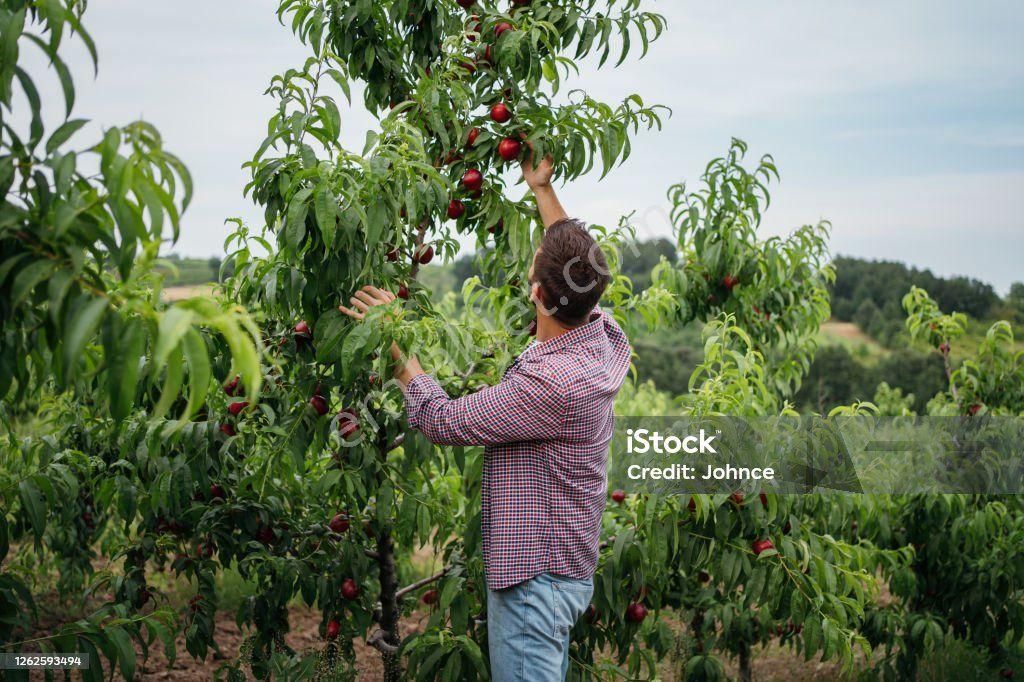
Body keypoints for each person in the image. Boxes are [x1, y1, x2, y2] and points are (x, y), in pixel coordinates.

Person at [339, 153, 632, 681]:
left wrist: (397, 348)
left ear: (537, 295)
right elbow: (579, 262)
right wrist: (543, 190)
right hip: (566, 568)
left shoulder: (549, 385)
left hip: (535, 586)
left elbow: (444, 421)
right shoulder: (604, 338)